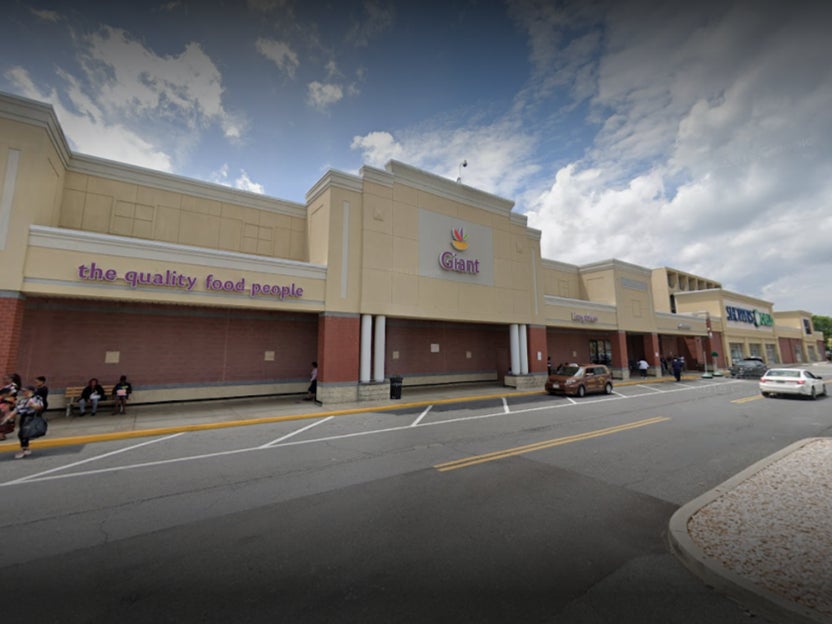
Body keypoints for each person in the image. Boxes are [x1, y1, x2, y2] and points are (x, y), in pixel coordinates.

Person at [8, 385, 43, 459]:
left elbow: (40, 406)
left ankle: (23, 449)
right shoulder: (23, 400)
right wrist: (9, 416)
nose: (24, 393)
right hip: (23, 417)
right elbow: (17, 409)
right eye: (23, 391)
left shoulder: (36, 398)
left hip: (31, 417)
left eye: (25, 391)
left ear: (31, 391)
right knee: (23, 433)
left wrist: (33, 405)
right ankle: (26, 448)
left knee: (23, 434)